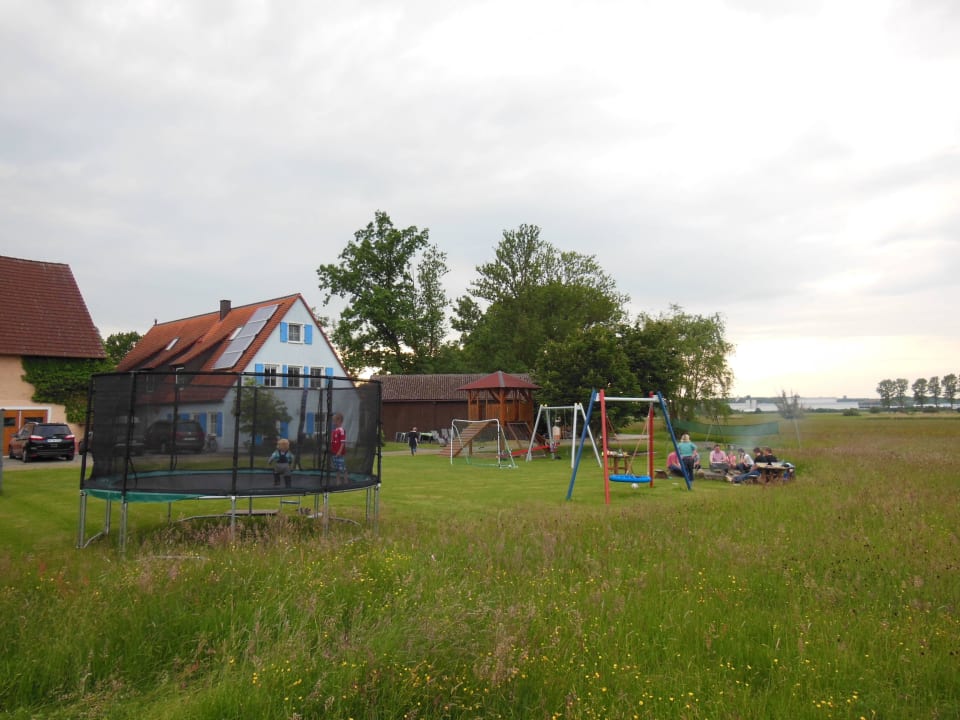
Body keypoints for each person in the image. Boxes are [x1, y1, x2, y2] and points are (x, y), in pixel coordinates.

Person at [331, 412, 348, 483]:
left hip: (339, 453)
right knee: (337, 468)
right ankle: (338, 480)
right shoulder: (334, 431)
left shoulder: (341, 430)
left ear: (339, 421)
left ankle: (346, 480)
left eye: (335, 421)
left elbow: (342, 442)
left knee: (342, 467)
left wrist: (339, 451)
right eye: (333, 421)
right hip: (334, 453)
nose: (334, 423)